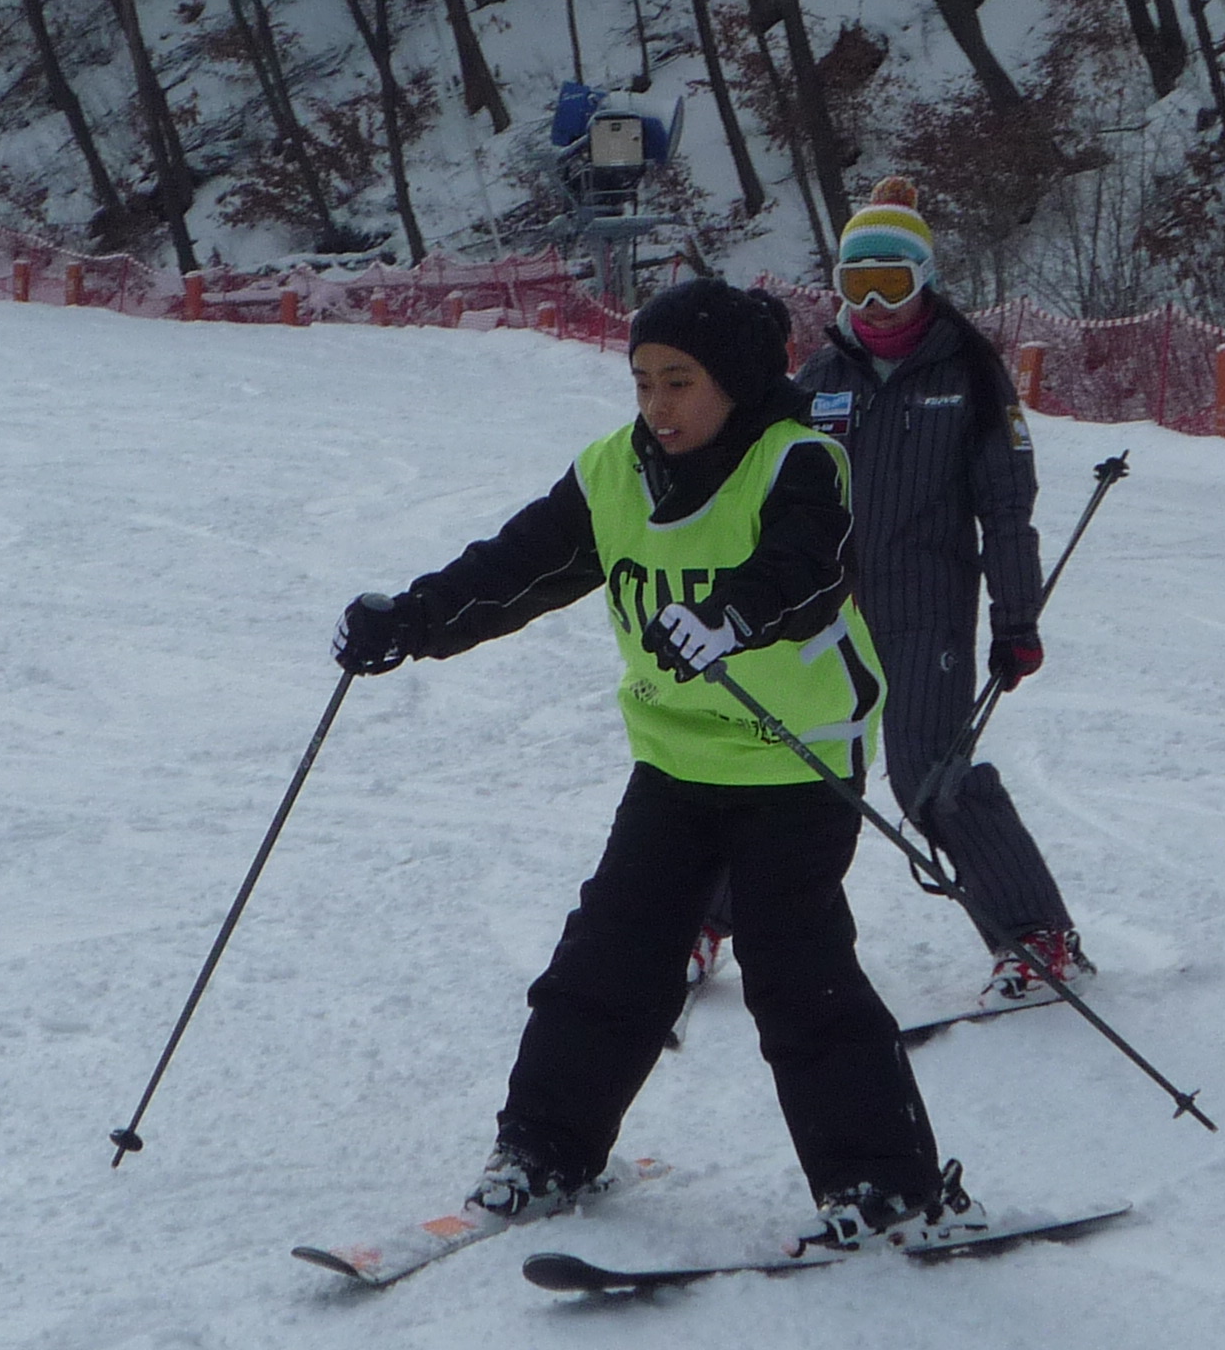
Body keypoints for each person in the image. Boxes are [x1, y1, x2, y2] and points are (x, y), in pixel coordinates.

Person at [331, 277, 985, 1252]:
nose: (655, 405)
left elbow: (804, 570)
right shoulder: (613, 472)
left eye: (679, 382)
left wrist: (728, 613)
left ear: (734, 380)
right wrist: (411, 620)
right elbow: (516, 567)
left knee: (794, 970)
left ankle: (886, 1184)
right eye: (641, 382)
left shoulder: (797, 459)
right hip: (676, 760)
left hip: (794, 763)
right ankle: (547, 1150)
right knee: (610, 956)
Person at [784, 175, 1093, 1008]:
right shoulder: (817, 378)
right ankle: (707, 922)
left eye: (896, 282)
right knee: (785, 765)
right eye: (859, 285)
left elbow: (1006, 507)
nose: (878, 305)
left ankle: (1034, 934)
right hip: (825, 611)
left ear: (926, 280)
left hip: (927, 609)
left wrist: (1017, 617)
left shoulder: (969, 374)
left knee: (927, 773)